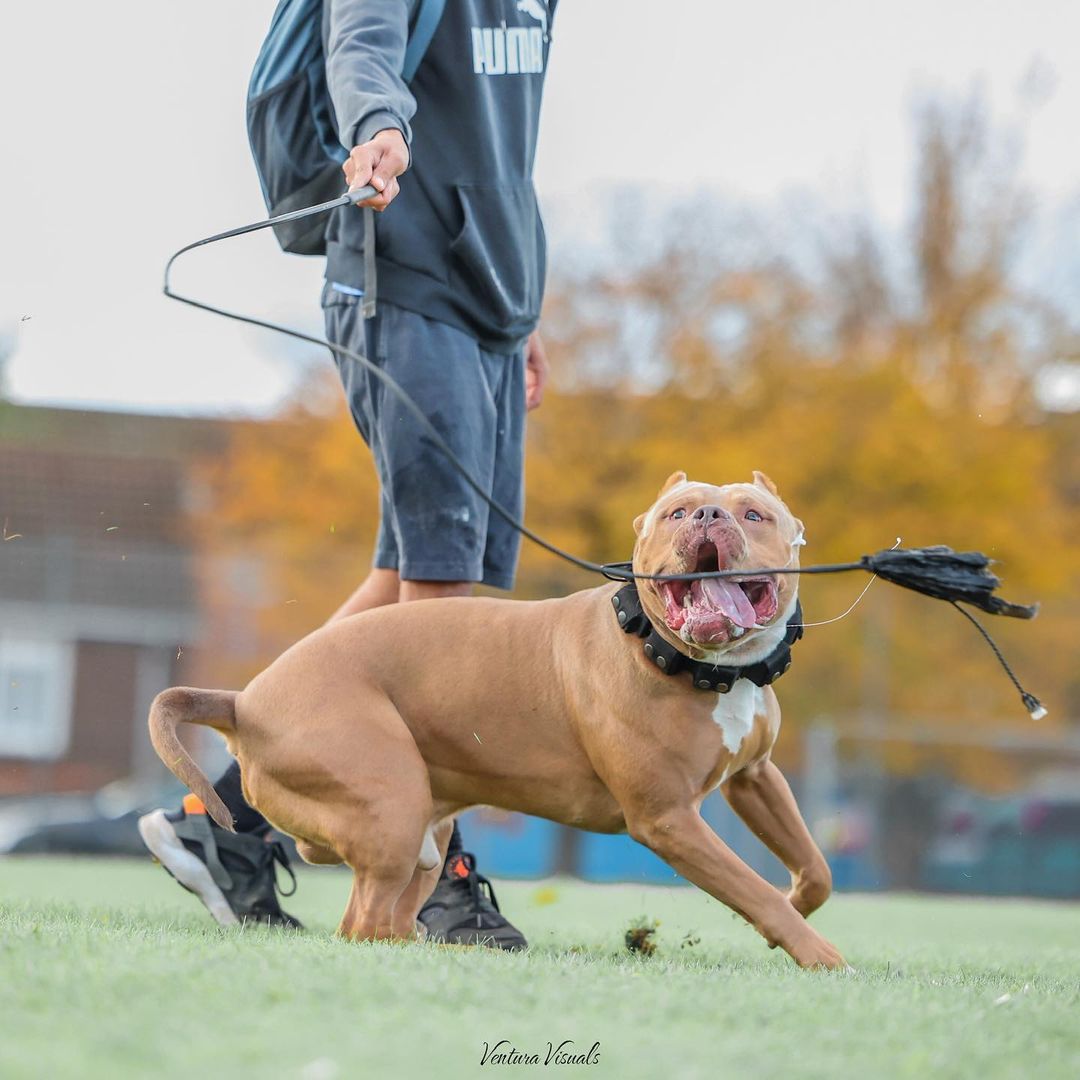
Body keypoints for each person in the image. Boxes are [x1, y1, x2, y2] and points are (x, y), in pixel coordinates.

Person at [138, 0, 557, 949]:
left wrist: (524, 299)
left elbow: (501, 138)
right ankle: (440, 879)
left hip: (487, 297)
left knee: (436, 585)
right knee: (445, 608)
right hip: (402, 286)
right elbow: (361, 42)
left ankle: (226, 827)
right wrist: (377, 127)